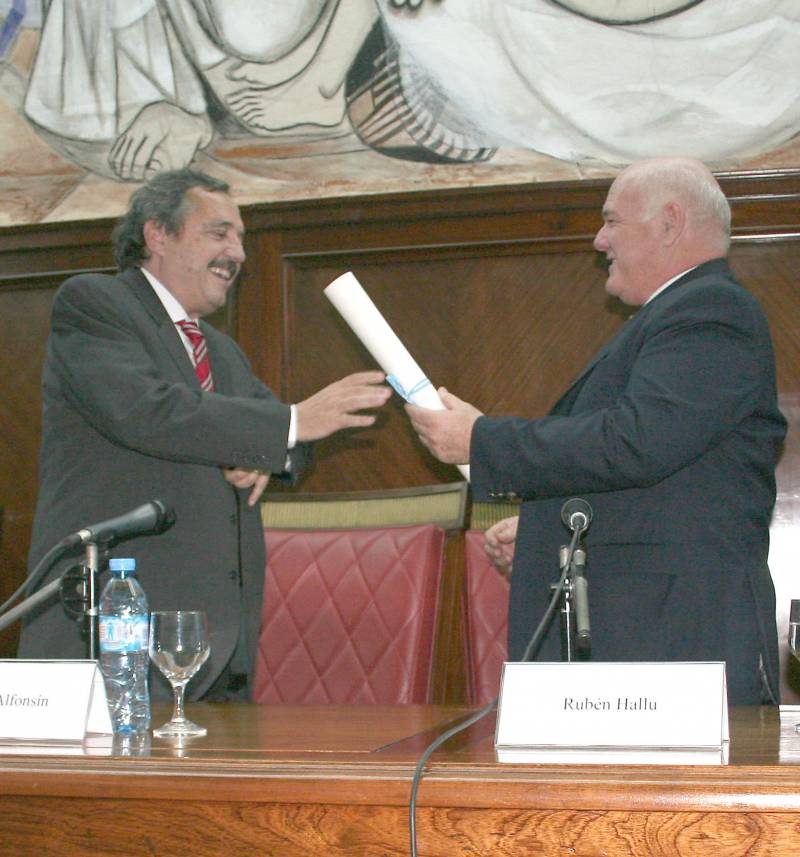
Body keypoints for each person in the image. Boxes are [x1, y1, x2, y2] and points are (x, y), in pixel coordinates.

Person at [407, 156, 787, 705]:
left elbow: (634, 443)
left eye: (612, 219)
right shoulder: (677, 316)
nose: (598, 238)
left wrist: (481, 440)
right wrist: (547, 532)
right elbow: (658, 482)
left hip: (675, 642)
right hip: (650, 638)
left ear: (669, 222)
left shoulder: (711, 310)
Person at [19, 167, 391, 700]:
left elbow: (289, 444)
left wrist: (274, 451)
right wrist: (290, 423)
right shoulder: (95, 304)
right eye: (219, 233)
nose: (237, 253)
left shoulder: (219, 349)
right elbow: (146, 411)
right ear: (158, 235)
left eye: (240, 238)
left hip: (215, 650)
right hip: (113, 637)